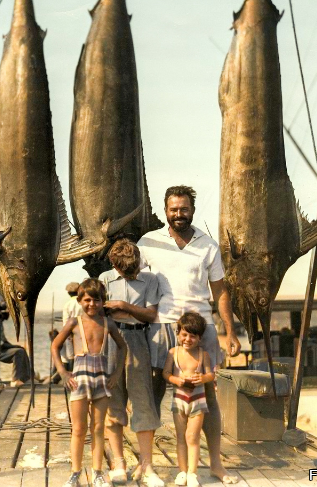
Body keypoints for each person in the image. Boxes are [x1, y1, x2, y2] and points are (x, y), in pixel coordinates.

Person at [137, 185, 241, 485]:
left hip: (202, 326)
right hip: (161, 324)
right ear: (166, 210)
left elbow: (220, 290)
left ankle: (216, 464)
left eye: (184, 209)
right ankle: (148, 464)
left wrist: (230, 331)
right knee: (154, 391)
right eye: (173, 209)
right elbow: (134, 280)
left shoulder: (208, 245)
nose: (179, 214)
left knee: (207, 395)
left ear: (192, 210)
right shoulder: (149, 242)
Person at [99, 239, 163, 487]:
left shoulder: (150, 280)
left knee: (143, 400)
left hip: (138, 339)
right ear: (114, 264)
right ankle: (118, 462)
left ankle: (147, 465)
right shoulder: (104, 279)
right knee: (113, 401)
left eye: (134, 268)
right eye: (125, 270)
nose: (131, 273)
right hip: (110, 341)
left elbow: (151, 313)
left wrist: (124, 307)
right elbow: (97, 310)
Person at [51, 279, 127, 487]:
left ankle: (97, 472)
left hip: (101, 380)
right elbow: (55, 346)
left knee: (98, 427)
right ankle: (75, 473)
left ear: (103, 301)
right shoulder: (74, 323)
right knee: (78, 428)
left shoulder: (108, 323)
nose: (91, 304)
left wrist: (116, 373)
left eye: (96, 300)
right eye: (87, 300)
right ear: (79, 300)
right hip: (80, 380)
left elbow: (123, 347)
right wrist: (63, 372)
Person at [163, 313, 215, 487]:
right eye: (184, 334)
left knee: (192, 436)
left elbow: (211, 374)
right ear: (178, 334)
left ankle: (192, 473)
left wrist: (203, 378)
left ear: (199, 338)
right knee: (180, 437)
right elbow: (166, 373)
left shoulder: (203, 355)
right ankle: (182, 471)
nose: (188, 339)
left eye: (193, 336)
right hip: (179, 399)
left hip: (198, 400)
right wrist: (176, 380)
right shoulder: (173, 353)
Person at [61, 281, 82, 368]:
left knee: (70, 355)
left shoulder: (67, 304)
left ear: (68, 293)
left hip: (70, 331)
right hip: (82, 330)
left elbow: (65, 322)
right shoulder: (82, 303)